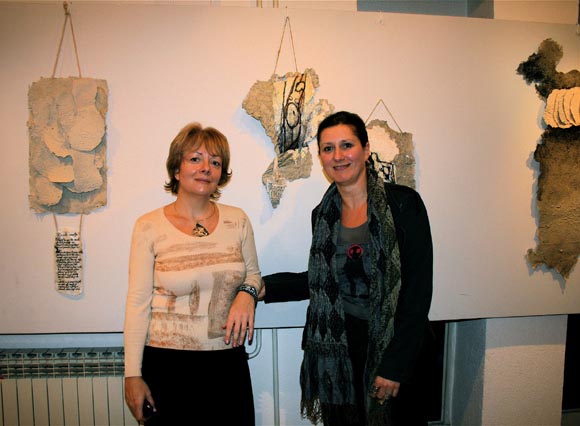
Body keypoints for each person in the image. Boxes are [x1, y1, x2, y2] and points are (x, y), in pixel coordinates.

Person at [260, 111, 435, 426]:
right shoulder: (322, 215)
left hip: (395, 345)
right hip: (343, 347)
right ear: (321, 157)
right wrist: (261, 287)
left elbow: (417, 291)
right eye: (328, 148)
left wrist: (394, 365)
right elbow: (323, 279)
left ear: (365, 150)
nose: (338, 156)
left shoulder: (404, 205)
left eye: (346, 145)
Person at [124, 122, 261, 425]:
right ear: (177, 169)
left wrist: (246, 294)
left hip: (227, 362)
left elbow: (254, 276)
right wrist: (132, 374)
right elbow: (137, 302)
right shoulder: (148, 226)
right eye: (195, 159)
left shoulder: (237, 220)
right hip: (167, 365)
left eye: (215, 162)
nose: (206, 168)